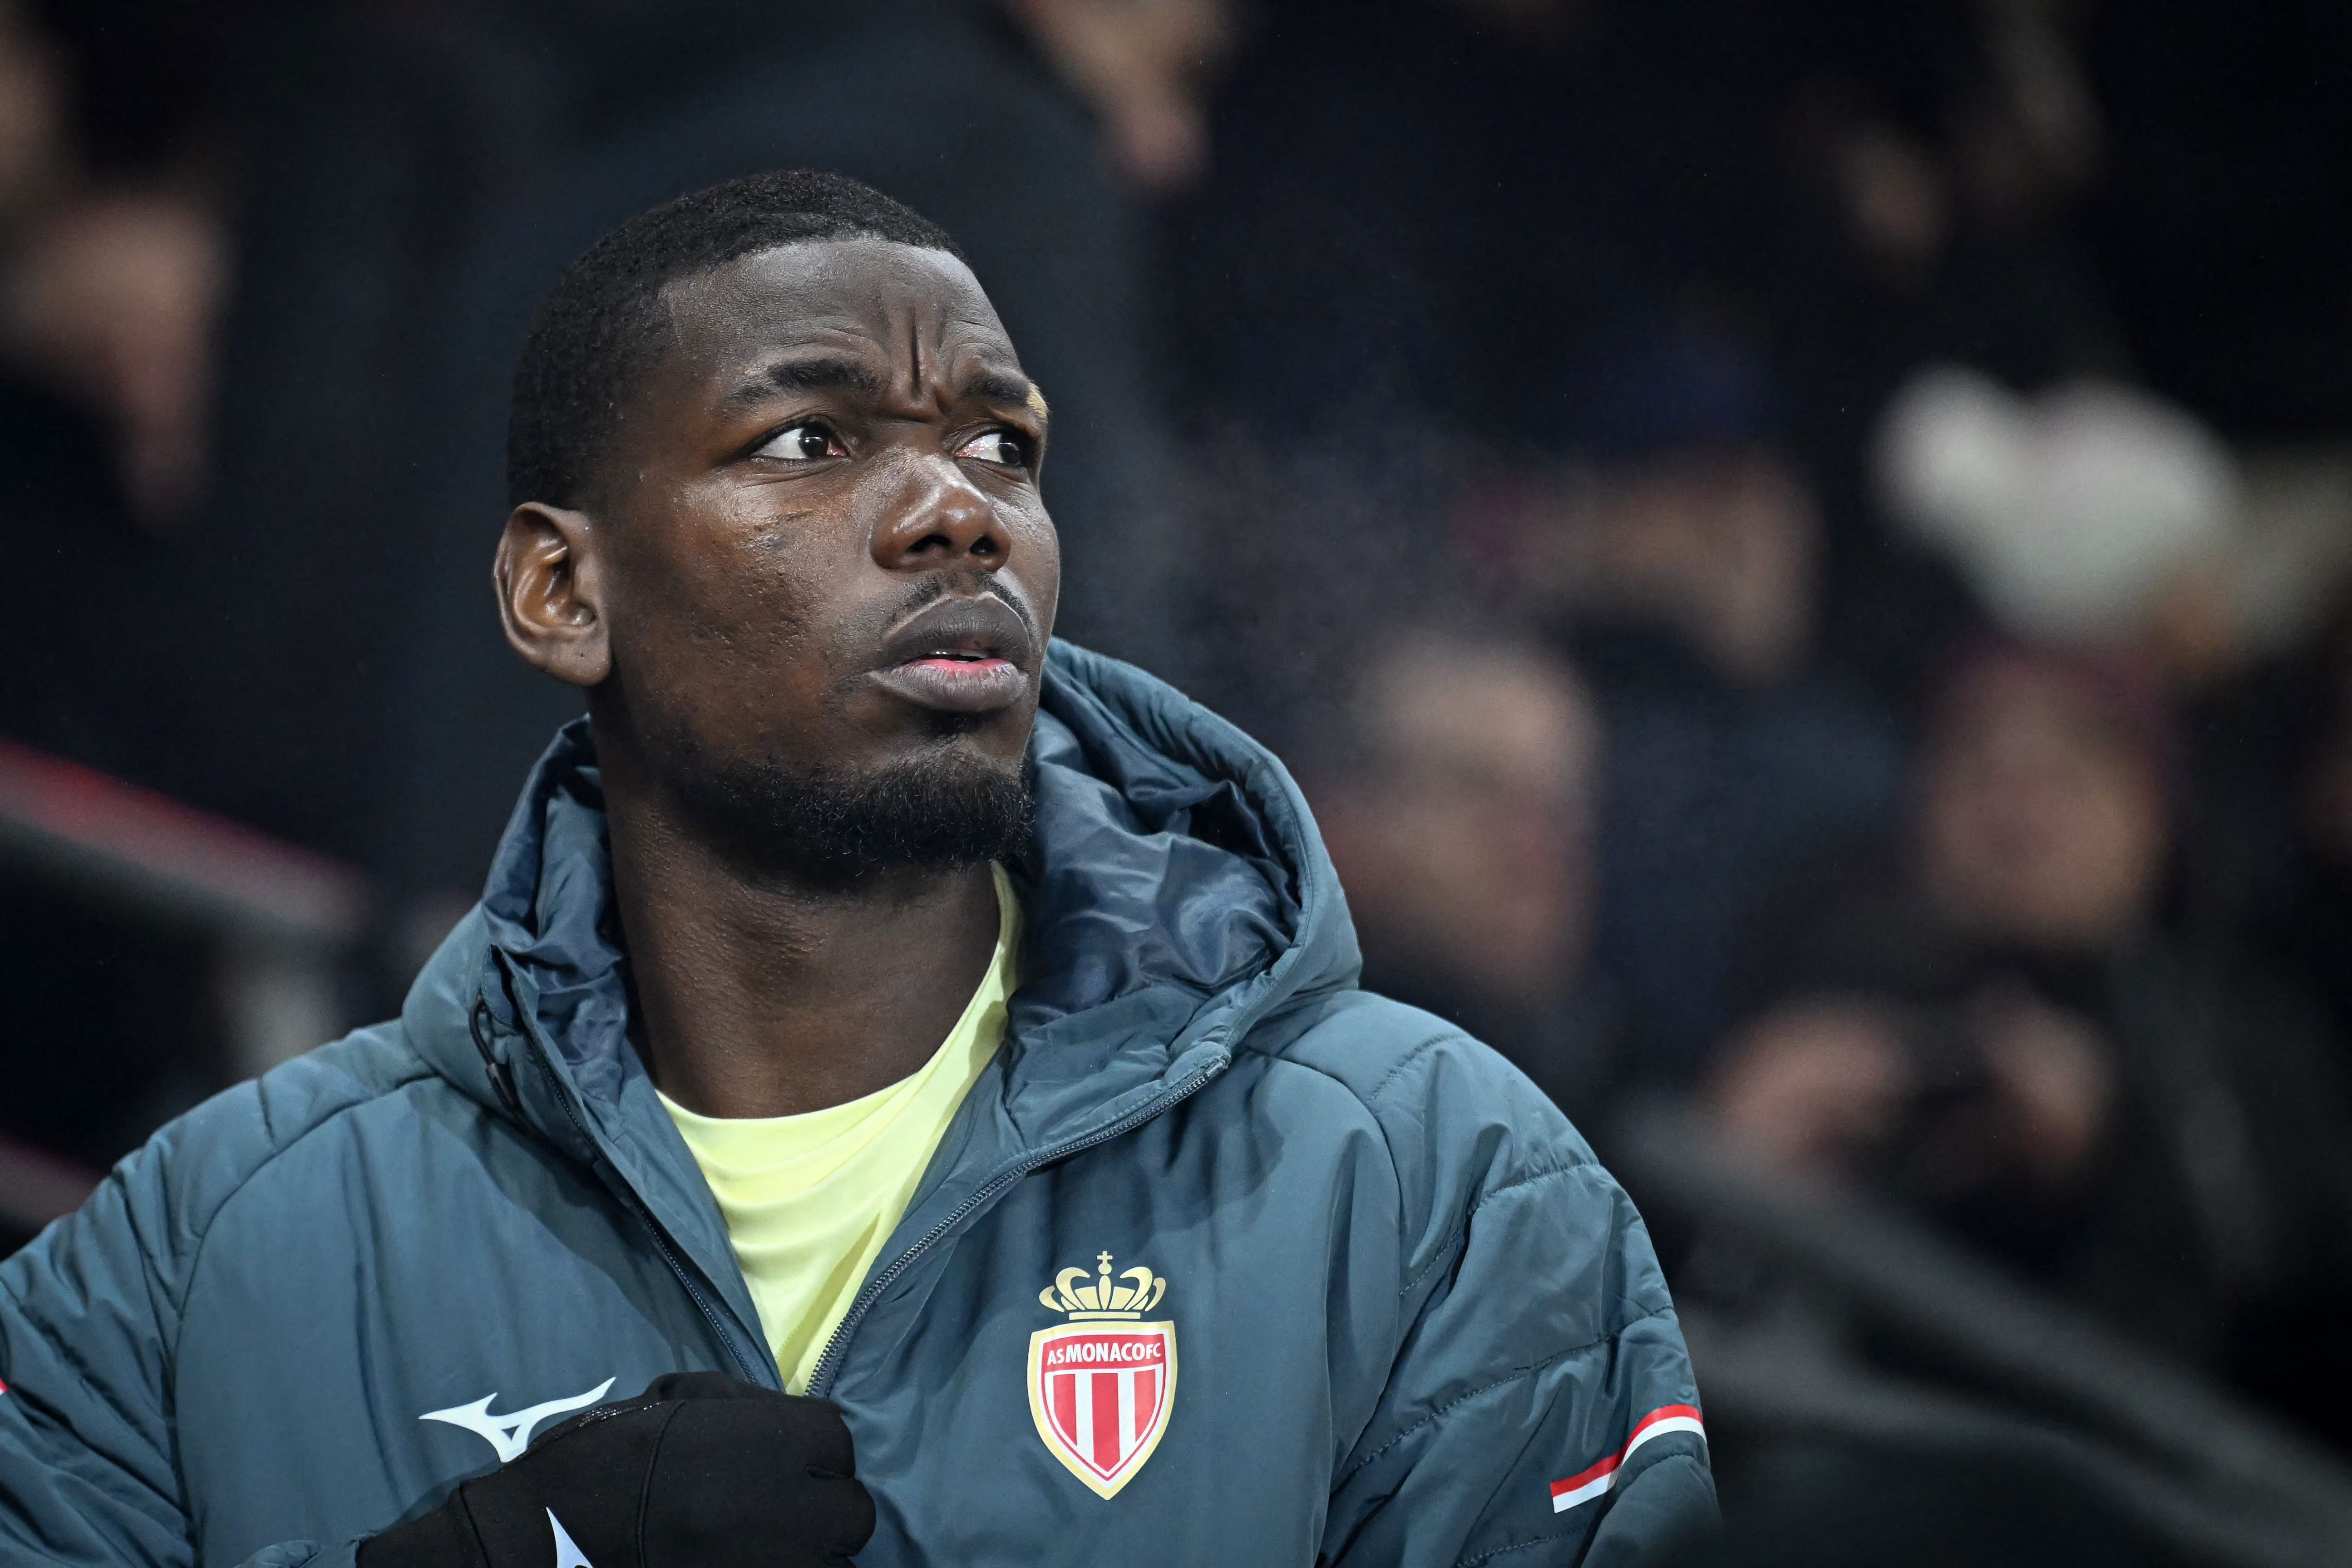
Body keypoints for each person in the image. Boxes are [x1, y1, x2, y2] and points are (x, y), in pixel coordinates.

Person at [0, 173, 1712, 1568]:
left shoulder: (1429, 1184)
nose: (958, 510)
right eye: (810, 443)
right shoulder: (195, 1258)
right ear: (558, 595)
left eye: (1003, 447)